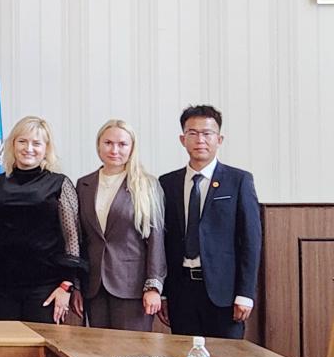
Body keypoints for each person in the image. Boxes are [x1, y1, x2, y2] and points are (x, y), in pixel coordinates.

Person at [159, 105, 262, 339]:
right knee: (185, 356)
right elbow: (164, 241)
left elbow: (251, 241)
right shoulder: (167, 183)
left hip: (224, 294)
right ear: (183, 139)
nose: (200, 140)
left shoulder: (238, 180)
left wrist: (245, 293)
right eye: (193, 133)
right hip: (181, 291)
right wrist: (164, 293)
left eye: (207, 133)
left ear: (219, 139)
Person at [0, 116, 84, 324]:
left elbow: (72, 238)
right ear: (13, 144)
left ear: (46, 148)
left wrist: (67, 285)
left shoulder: (60, 183)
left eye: (36, 143)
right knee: (6, 345)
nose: (28, 148)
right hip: (1, 287)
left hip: (47, 287)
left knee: (42, 345)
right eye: (22, 141)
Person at [74, 120, 166, 331]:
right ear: (98, 145)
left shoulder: (147, 184)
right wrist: (77, 285)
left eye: (122, 144)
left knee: (131, 348)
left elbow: (156, 240)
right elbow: (80, 239)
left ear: (132, 148)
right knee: (98, 349)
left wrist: (153, 286)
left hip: (133, 287)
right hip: (94, 286)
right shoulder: (84, 184)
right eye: (108, 143)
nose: (114, 150)